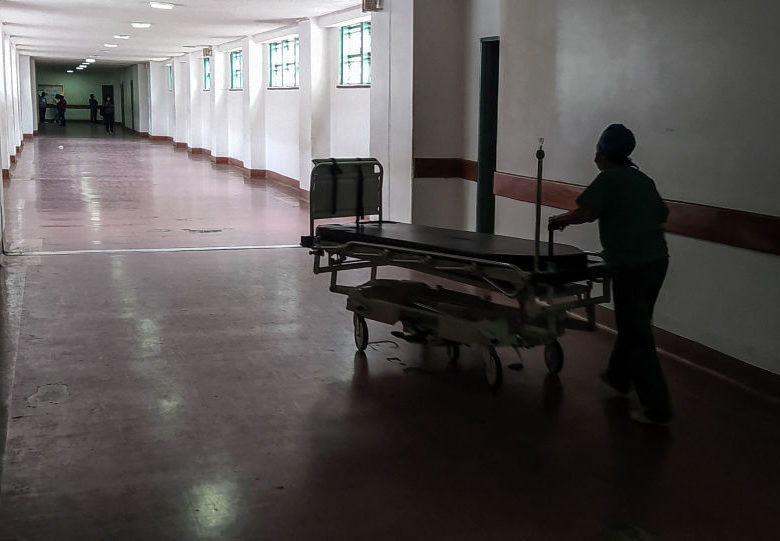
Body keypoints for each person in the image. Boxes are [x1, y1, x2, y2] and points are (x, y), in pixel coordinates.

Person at [548, 124, 672, 425]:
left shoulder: (608, 179)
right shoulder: (643, 180)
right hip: (658, 261)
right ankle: (618, 376)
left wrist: (559, 220)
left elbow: (586, 213)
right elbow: (662, 214)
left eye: (597, 151)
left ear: (603, 154)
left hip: (630, 266)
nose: (595, 157)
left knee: (636, 333)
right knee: (637, 322)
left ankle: (657, 409)